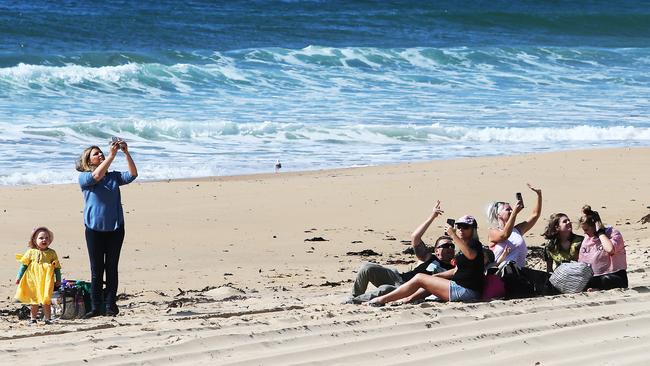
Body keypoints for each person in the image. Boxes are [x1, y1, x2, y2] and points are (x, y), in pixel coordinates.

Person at [346, 201, 455, 304]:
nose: (450, 248)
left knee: (386, 289)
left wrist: (455, 235)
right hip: (399, 278)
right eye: (445, 246)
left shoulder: (454, 267)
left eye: (452, 246)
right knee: (367, 267)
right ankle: (354, 296)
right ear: (436, 250)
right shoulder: (428, 257)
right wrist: (432, 217)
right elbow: (415, 237)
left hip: (408, 289)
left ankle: (354, 302)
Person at [76, 139, 137, 317]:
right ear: (88, 161)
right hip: (94, 230)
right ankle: (96, 307)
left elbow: (133, 175)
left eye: (101, 152)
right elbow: (96, 176)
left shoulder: (113, 177)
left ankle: (111, 306)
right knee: (97, 270)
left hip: (116, 229)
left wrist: (126, 152)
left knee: (111, 268)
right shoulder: (85, 178)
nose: (100, 154)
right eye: (96, 154)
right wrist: (111, 155)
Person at [368, 214, 484, 306]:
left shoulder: (474, 244)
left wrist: (453, 235)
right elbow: (456, 271)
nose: (461, 230)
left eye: (466, 227)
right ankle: (407, 300)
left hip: (466, 291)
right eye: (459, 227)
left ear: (473, 229)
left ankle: (381, 300)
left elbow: (471, 255)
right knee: (429, 280)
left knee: (419, 278)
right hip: (461, 288)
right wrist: (436, 277)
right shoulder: (463, 247)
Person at [486, 184, 542, 269]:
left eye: (511, 209)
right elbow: (504, 235)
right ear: (498, 214)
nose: (511, 211)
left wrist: (539, 195)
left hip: (518, 274)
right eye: (507, 209)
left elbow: (535, 215)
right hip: (500, 275)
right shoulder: (493, 232)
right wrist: (514, 213)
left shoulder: (517, 230)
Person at [15, 226, 61, 325]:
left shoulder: (52, 253)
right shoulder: (30, 252)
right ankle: (33, 318)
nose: (44, 240)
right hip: (33, 280)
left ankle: (48, 319)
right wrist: (19, 277)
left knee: (46, 299)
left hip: (46, 280)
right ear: (35, 240)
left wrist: (58, 280)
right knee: (34, 300)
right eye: (41, 238)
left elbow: (57, 268)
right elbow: (23, 266)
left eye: (47, 238)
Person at [578, 205, 627, 290]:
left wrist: (600, 232)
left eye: (586, 230)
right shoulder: (587, 238)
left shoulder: (613, 233)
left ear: (594, 226)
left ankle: (597, 288)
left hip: (615, 275)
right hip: (595, 277)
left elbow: (610, 250)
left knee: (605, 280)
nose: (585, 233)